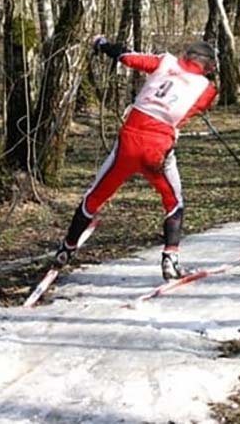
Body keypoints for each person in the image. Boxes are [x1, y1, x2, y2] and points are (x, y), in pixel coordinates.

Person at [54, 37, 219, 280]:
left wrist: (103, 44)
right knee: (173, 201)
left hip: (130, 140)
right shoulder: (206, 87)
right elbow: (201, 106)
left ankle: (67, 248)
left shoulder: (165, 61)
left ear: (186, 55)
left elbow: (128, 57)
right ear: (208, 65)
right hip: (158, 147)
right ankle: (170, 259)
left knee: (95, 196)